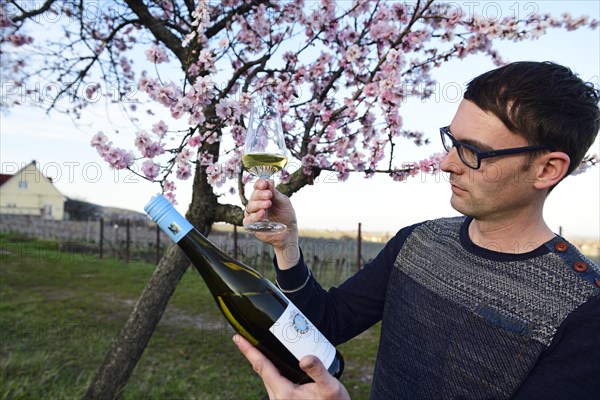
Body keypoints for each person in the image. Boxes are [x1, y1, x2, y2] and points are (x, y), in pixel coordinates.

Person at [234, 61, 600, 399]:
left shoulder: (582, 311)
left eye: (473, 151)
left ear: (547, 169)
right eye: (452, 141)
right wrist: (287, 247)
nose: (446, 164)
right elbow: (327, 322)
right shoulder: (419, 242)